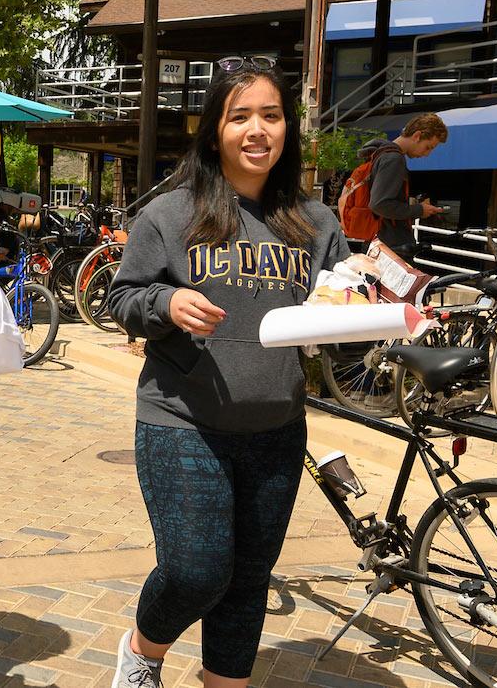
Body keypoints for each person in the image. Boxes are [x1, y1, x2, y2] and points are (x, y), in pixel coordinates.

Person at [103, 58, 375, 688]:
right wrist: (165, 304)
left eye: (272, 116)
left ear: (288, 129)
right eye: (240, 116)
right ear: (214, 129)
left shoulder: (317, 222)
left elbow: (338, 321)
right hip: (182, 419)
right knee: (198, 571)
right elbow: (121, 299)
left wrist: (382, 313)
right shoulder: (171, 215)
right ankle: (144, 649)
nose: (258, 130)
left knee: (249, 579)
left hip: (278, 427)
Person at [359, 112, 449, 262]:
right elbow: (379, 204)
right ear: (417, 135)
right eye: (428, 147)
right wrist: (419, 210)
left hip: (378, 242)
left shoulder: (381, 153)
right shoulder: (394, 159)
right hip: (390, 247)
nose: (427, 154)